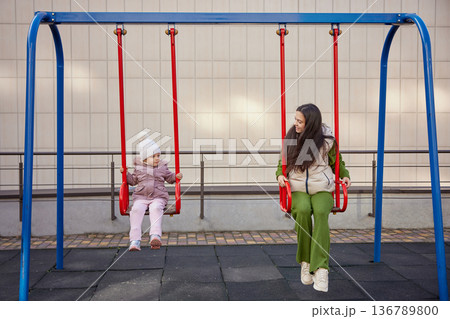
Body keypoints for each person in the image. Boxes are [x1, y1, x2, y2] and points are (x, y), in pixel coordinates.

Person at [276, 103, 351, 292]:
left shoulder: (327, 141)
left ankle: (321, 269)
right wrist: (280, 175)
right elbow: (282, 163)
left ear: (310, 123)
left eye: (300, 121)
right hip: (298, 187)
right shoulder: (292, 138)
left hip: (322, 188)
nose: (296, 124)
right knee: (301, 210)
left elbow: (337, 162)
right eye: (295, 119)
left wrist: (344, 174)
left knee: (320, 212)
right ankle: (306, 262)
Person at [121, 138, 183, 251]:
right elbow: (132, 181)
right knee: (135, 210)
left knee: (156, 208)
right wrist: (125, 174)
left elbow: (169, 178)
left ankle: (155, 236)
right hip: (141, 197)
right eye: (153, 156)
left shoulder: (162, 167)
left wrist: (176, 176)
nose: (157, 159)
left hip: (158, 197)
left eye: (158, 156)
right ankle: (135, 241)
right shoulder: (138, 168)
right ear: (145, 158)